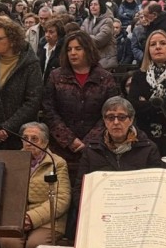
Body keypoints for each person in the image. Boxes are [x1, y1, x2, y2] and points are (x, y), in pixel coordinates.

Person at [0, 121, 70, 248]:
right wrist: (17, 216)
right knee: (8, 242)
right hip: (17, 218)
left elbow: (62, 200)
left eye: (34, 139)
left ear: (45, 142)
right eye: (25, 139)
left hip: (48, 219)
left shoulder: (57, 163)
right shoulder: (15, 161)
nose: (29, 143)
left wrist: (31, 218)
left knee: (34, 246)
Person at [42, 30, 119, 179]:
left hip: (97, 148)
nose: (73, 53)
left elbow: (111, 112)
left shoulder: (105, 77)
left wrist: (90, 141)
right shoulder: (55, 76)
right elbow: (48, 111)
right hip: (61, 148)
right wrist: (69, 139)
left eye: (78, 48)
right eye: (69, 49)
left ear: (88, 50)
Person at [0, 17, 44, 150]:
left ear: (12, 40)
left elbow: (33, 101)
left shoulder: (30, 64)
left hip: (21, 136)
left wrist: (7, 128)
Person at [81, 96, 161, 175]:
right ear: (104, 121)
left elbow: (155, 181)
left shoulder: (148, 149)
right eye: (111, 117)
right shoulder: (91, 149)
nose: (116, 122)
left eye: (122, 117)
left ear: (131, 120)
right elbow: (81, 182)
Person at [37, 18, 66, 83]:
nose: (47, 35)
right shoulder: (42, 46)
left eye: (51, 32)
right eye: (46, 32)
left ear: (59, 34)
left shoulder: (63, 48)